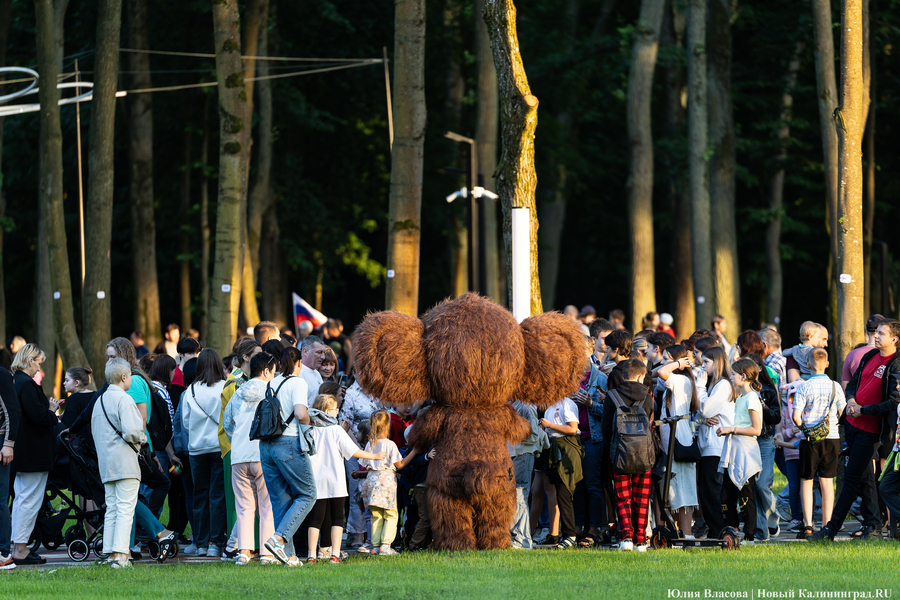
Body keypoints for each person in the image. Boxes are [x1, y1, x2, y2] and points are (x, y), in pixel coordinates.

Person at [810, 320, 900, 542]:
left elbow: (893, 402)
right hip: (852, 425)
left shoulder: (896, 364)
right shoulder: (870, 356)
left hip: (872, 432)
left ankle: (829, 531)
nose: (876, 336)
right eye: (876, 332)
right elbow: (852, 383)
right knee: (865, 478)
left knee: (850, 480)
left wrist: (863, 410)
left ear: (895, 339)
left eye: (881, 333)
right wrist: (850, 400)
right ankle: (873, 526)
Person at [306, 394, 386, 563]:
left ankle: (311, 555)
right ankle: (335, 554)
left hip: (316, 480)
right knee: (337, 517)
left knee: (315, 518)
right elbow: (353, 451)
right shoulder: (336, 430)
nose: (337, 412)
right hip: (335, 480)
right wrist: (375, 456)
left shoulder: (310, 430)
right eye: (336, 409)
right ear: (328, 411)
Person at [259, 348, 316, 567]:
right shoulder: (298, 382)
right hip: (288, 442)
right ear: (299, 363)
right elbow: (301, 414)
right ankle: (278, 539)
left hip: (266, 445)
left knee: (281, 501)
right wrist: (311, 421)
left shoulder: (272, 382)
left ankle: (290, 556)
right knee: (308, 494)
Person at [222, 352, 278, 565]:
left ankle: (244, 552)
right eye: (273, 372)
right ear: (266, 371)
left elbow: (228, 423)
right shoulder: (271, 391)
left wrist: (237, 441)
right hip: (263, 454)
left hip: (239, 455)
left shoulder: (237, 391)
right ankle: (267, 553)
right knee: (267, 505)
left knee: (244, 506)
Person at [91, 358, 147, 568]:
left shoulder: (99, 401)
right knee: (125, 508)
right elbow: (133, 431)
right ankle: (122, 555)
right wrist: (141, 438)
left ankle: (111, 553)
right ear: (124, 377)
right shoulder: (124, 399)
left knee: (113, 508)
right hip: (124, 461)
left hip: (106, 462)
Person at [9, 344, 59, 565]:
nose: (40, 367)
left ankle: (17, 544)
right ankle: (20, 547)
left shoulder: (15, 381)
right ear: (30, 360)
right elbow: (38, 416)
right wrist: (51, 410)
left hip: (23, 451)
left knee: (22, 498)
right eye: (39, 362)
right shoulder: (26, 384)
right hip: (33, 452)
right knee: (29, 500)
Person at [792, 348, 846, 539]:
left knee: (806, 481)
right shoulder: (836, 386)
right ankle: (827, 525)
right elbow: (843, 414)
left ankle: (807, 525)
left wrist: (804, 427)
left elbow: (796, 416)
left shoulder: (803, 387)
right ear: (827, 364)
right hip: (831, 438)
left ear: (808, 365)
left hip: (810, 440)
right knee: (827, 482)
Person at [601, 358, 654, 551]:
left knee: (622, 497)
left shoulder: (612, 396)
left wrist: (612, 452)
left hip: (620, 454)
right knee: (642, 497)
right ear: (640, 376)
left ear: (623, 376)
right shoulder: (647, 397)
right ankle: (641, 539)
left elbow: (606, 429)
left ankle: (626, 539)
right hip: (643, 454)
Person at [181, 348, 228, 557]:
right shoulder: (224, 387)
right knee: (217, 496)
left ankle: (200, 542)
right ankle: (215, 543)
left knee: (199, 496)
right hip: (218, 448)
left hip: (196, 449)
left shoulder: (190, 390)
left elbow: (185, 422)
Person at [218, 338, 260, 559]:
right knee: (240, 502)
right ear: (245, 357)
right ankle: (237, 547)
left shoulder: (244, 380)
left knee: (246, 501)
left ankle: (241, 545)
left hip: (242, 446)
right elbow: (231, 420)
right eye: (257, 354)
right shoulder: (236, 383)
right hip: (235, 447)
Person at [716, 358, 763, 544]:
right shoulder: (741, 397)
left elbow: (756, 429)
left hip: (746, 452)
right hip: (734, 452)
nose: (731, 377)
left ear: (743, 376)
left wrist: (731, 429)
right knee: (726, 495)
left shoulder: (752, 397)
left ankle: (749, 536)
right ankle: (733, 531)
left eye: (734, 374)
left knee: (745, 495)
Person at [656, 346, 700, 539]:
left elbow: (661, 371)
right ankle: (680, 532)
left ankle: (687, 533)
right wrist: (674, 363)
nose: (664, 362)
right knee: (673, 487)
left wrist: (679, 363)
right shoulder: (672, 381)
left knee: (682, 486)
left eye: (667, 358)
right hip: (670, 440)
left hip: (679, 439)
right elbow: (653, 373)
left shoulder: (681, 380)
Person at [696, 346, 735, 539]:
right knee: (707, 492)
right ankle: (716, 530)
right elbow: (701, 413)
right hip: (708, 446)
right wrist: (703, 417)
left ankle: (720, 530)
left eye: (706, 362)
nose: (702, 366)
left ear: (717, 363)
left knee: (711, 492)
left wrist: (700, 386)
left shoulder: (723, 385)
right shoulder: (714, 385)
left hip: (716, 446)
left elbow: (704, 410)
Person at [537, 392, 582, 550]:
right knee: (556, 492)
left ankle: (570, 535)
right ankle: (557, 534)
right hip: (553, 448)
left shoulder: (567, 403)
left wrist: (550, 425)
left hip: (566, 448)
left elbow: (572, 428)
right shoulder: (550, 406)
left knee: (565, 492)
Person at [357, 411, 405, 556]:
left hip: (371, 480)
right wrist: (413, 453)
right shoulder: (390, 444)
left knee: (376, 515)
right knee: (390, 513)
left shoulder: (370, 444)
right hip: (386, 481)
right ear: (388, 426)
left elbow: (364, 465)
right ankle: (385, 545)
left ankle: (375, 545)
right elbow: (400, 464)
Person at [0, 359, 20, 570]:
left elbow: (13, 412)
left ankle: (4, 553)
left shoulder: (2, 375)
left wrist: (8, 444)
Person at [841, 314, 885, 391]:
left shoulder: (851, 355)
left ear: (867, 332)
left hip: (856, 401)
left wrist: (851, 402)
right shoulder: (888, 354)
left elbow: (845, 385)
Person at [299, 336, 327, 405]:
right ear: (305, 351)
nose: (323, 357)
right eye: (319, 352)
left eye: (324, 352)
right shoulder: (299, 373)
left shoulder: (316, 373)